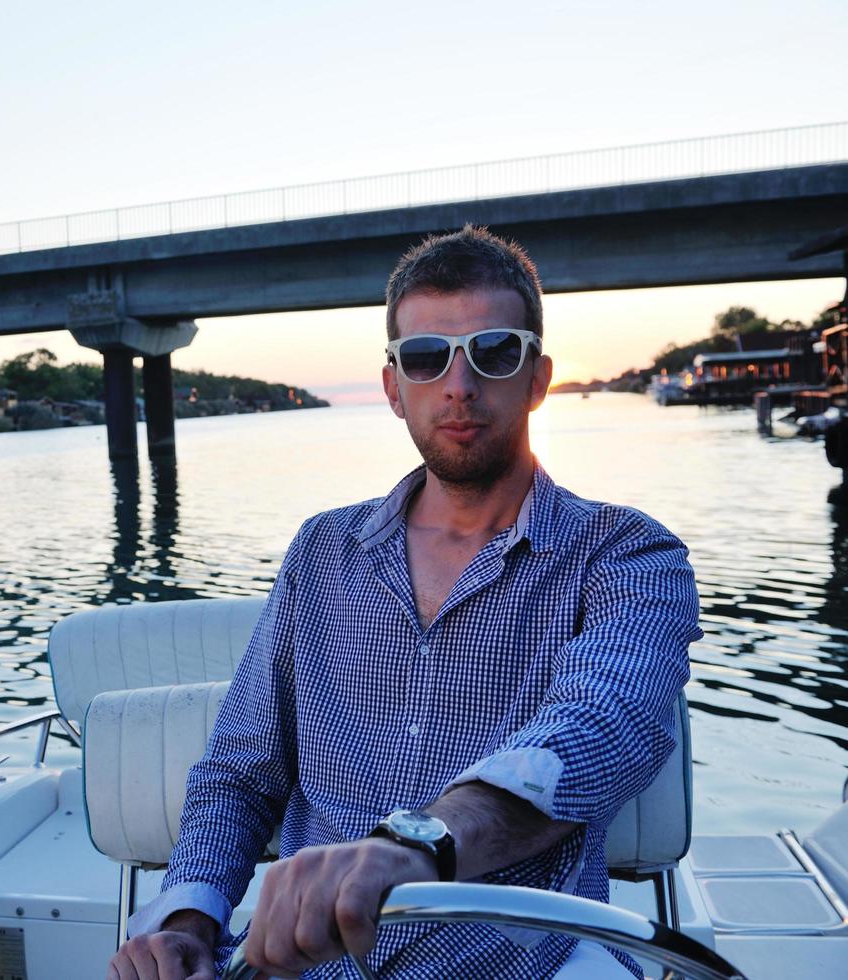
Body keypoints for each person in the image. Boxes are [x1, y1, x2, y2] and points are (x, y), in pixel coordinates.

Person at [106, 225, 701, 980]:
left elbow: (603, 725)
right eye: (426, 359)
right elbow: (241, 771)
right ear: (394, 387)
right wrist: (189, 920)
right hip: (304, 966)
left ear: (538, 378)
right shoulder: (322, 552)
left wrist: (417, 845)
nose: (459, 385)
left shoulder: (625, 553)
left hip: (515, 963)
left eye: (495, 351)